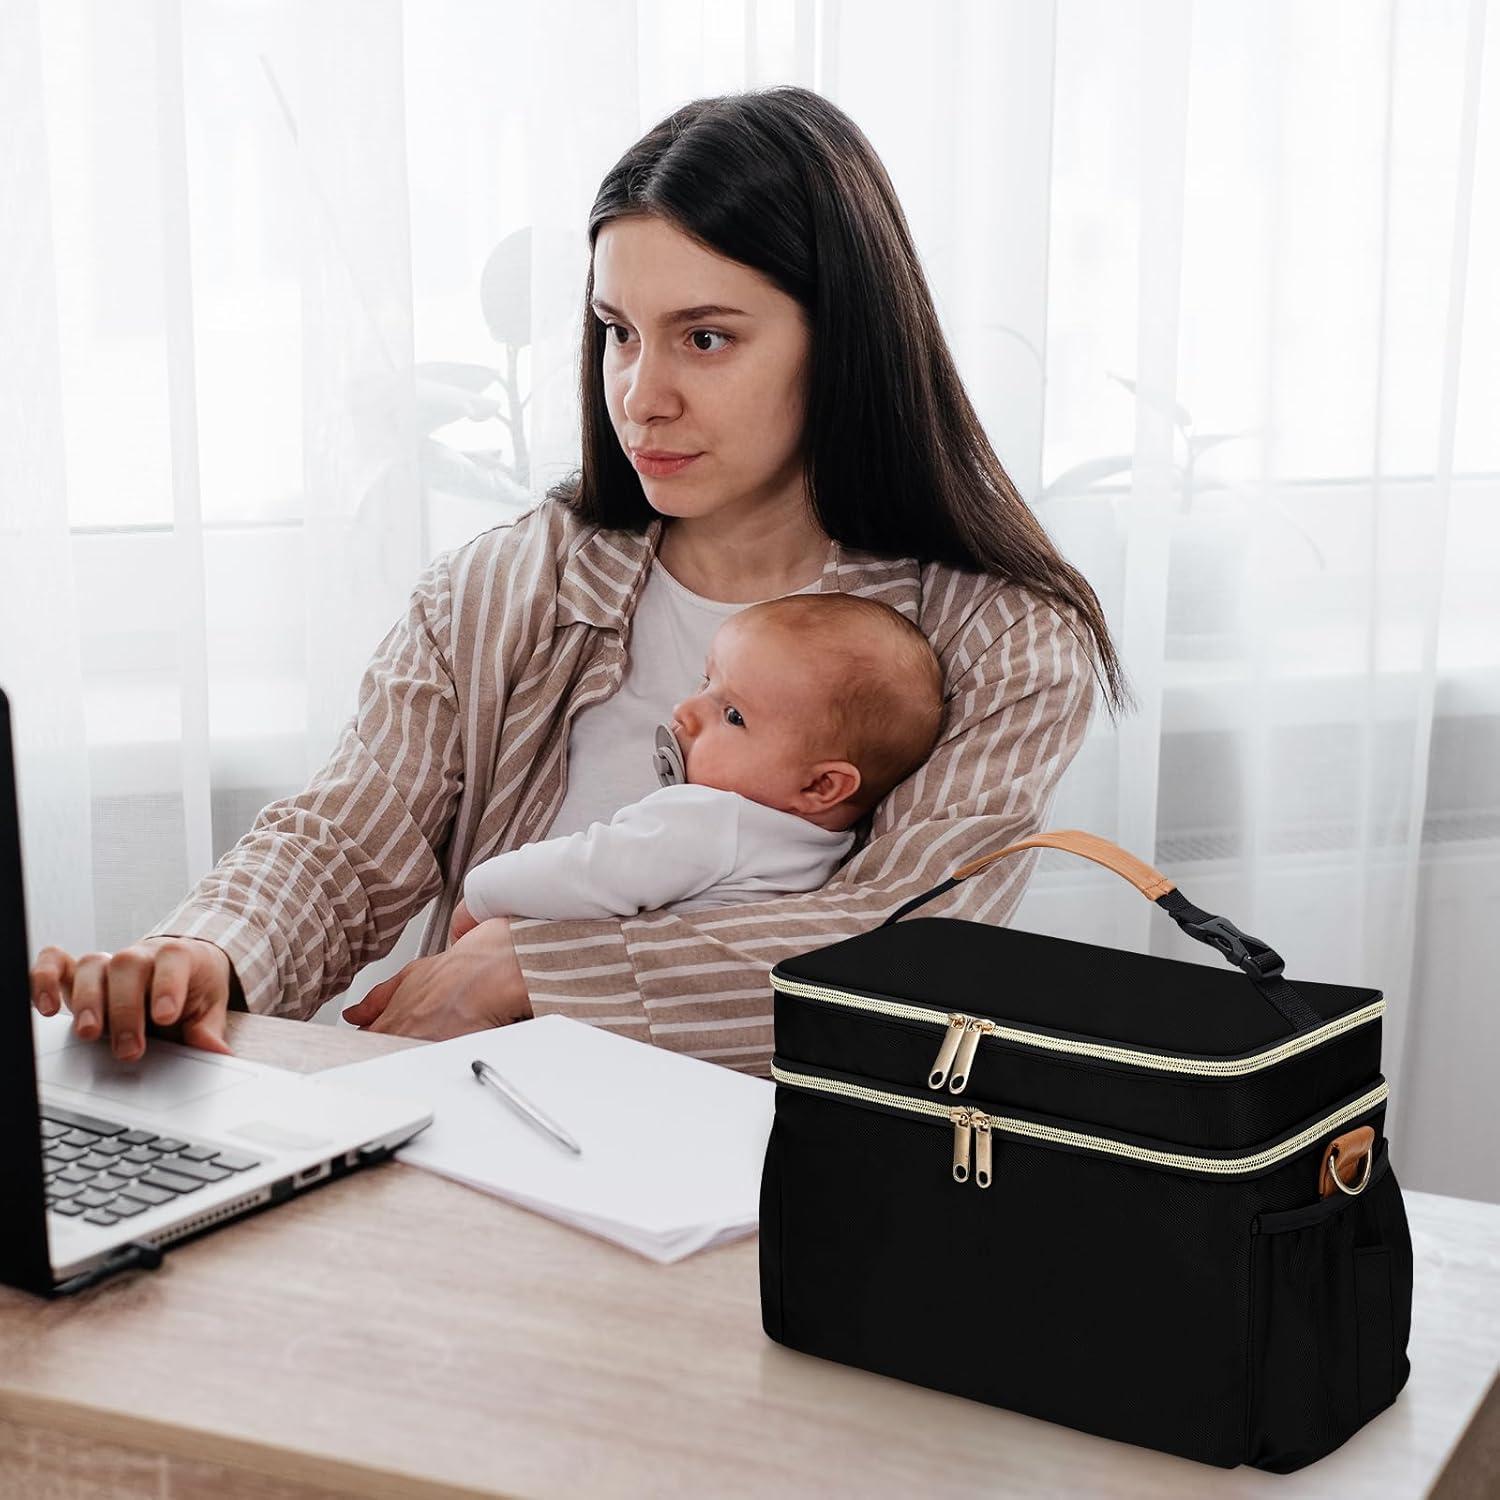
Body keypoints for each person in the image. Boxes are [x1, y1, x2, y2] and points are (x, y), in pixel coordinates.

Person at [29, 84, 1133, 1073]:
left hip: (790, 1212)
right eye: (617, 332)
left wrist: (532, 972)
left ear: (843, 343)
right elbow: (343, 842)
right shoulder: (505, 586)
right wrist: (209, 953)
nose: (640, 394)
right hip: (474, 1154)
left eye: (704, 339)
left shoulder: (1002, 643)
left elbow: (901, 951)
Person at [448, 592, 945, 938]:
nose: (686, 710)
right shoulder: (819, 849)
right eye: (704, 681)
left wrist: (484, 893)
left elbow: (592, 869)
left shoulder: (712, 818)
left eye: (733, 715)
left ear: (821, 785)